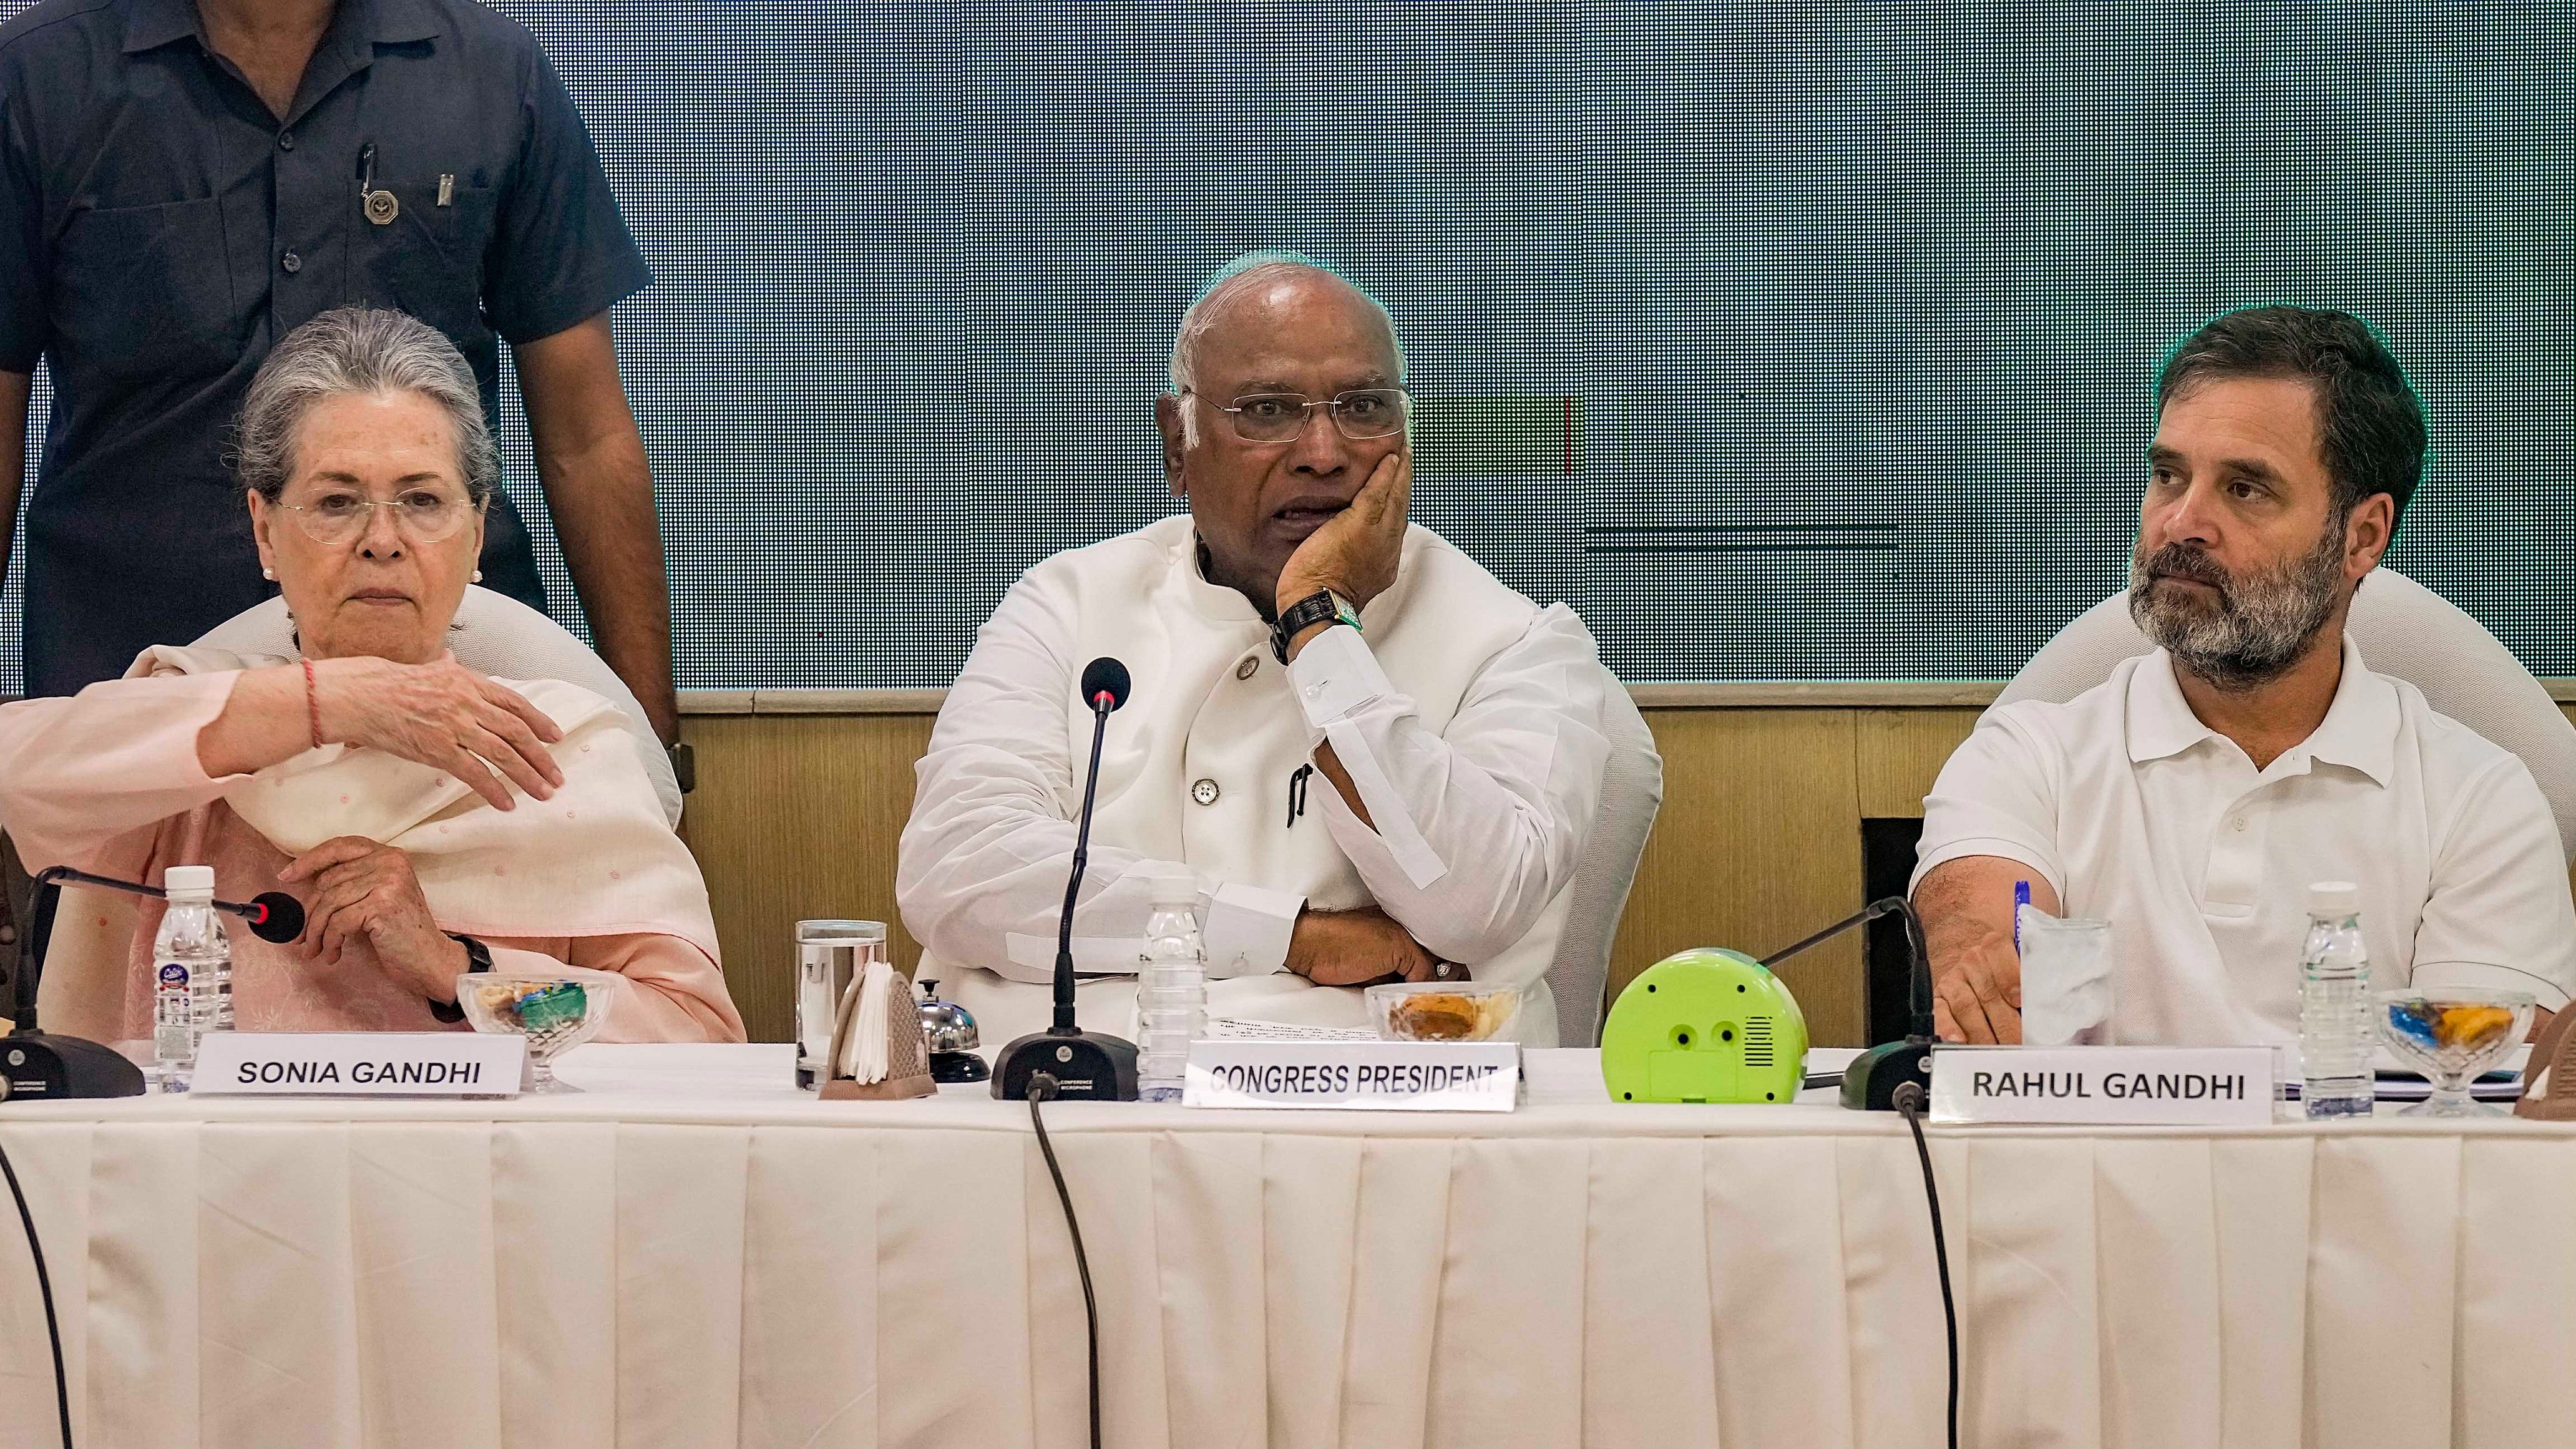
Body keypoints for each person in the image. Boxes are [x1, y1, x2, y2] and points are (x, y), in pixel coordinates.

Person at [897, 251, 1618, 1046]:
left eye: (1364, 406)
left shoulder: (1518, 642)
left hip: (1381, 1121)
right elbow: (959, 875)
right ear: (1180, 445)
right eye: (1269, 411)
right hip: (1064, 1105)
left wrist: (1318, 621)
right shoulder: (1068, 605)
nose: (1323, 451)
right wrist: (1293, 936)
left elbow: (1476, 902)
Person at [0, 306, 742, 1042]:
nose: (382, 541)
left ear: (477, 533)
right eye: (336, 502)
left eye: (422, 500)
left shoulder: (560, 750)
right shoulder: (191, 723)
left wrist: (460, 970)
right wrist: (329, 704)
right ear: (266, 531)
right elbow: (17, 768)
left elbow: (693, 1035)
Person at [0, 0, 680, 744]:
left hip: (452, 692)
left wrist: (655, 755)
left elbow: (586, 438)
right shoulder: (35, 78)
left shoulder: (492, 72)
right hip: (136, 689)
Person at [1913, 305, 2576, 1046]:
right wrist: (1987, 954)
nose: (2181, 522)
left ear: (2362, 537)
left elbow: (2477, 1088)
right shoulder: (2028, 753)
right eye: (2168, 476)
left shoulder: (2480, 800)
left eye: (2245, 488)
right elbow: (1983, 910)